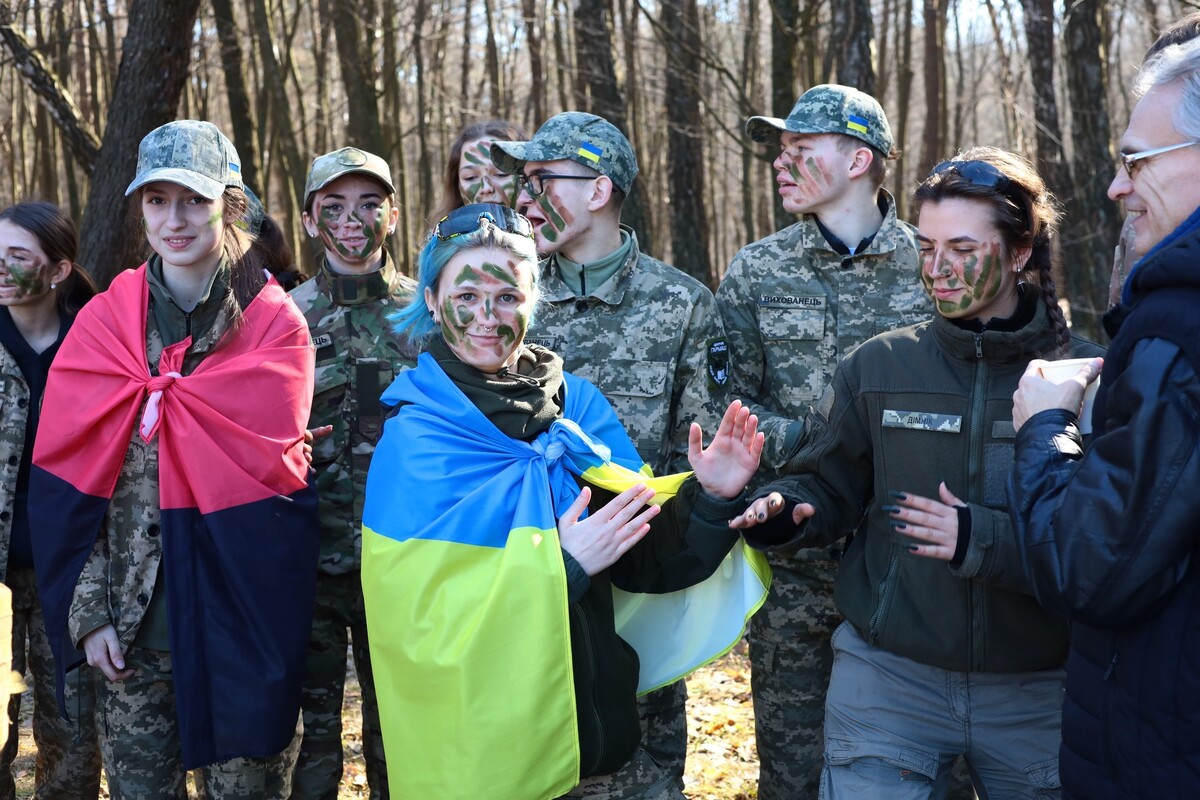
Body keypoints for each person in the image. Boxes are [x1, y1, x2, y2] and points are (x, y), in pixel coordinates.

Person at [730, 146, 1104, 797]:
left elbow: (1102, 547)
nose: (937, 269)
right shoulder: (879, 367)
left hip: (1040, 689)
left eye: (962, 248)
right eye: (926, 248)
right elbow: (829, 483)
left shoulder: (1089, 376)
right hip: (887, 682)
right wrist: (786, 509)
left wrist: (977, 539)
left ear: (1020, 251)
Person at [360, 203, 767, 800]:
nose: (485, 316)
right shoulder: (417, 437)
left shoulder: (575, 408)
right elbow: (419, 621)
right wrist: (558, 565)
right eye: (465, 295)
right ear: (430, 299)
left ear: (534, 298)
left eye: (507, 296)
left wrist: (711, 497)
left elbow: (652, 562)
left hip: (597, 747)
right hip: (492, 761)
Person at [28, 120, 320, 798]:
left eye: (192, 199)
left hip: (240, 616)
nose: (174, 219)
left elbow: (279, 491)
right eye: (156, 201)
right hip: (132, 629)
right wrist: (91, 612)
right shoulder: (104, 325)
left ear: (230, 202)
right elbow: (71, 485)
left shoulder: (274, 325)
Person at [490, 110, 729, 785]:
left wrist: (643, 537)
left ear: (598, 190)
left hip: (643, 580)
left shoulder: (681, 303)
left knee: (644, 765)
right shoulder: (507, 299)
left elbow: (697, 452)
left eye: (542, 179)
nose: (525, 197)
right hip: (533, 578)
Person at [714, 83, 930, 797]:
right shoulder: (756, 269)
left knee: (924, 768)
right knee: (793, 769)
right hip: (797, 563)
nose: (782, 165)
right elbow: (729, 401)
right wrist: (824, 444)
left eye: (801, 151)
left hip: (914, 560)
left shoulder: (932, 263)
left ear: (860, 159)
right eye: (781, 152)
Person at [1009, 39, 1200, 799]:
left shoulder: (1177, 328)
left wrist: (1045, 428)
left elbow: (1089, 568)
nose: (1117, 188)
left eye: (1136, 161)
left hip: (1160, 750)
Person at [288, 145, 419, 799]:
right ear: (310, 220)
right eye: (333, 207)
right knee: (309, 745)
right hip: (307, 563)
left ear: (392, 215)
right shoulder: (280, 319)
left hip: (402, 563)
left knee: (398, 731)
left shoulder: (429, 314)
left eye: (370, 204)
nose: (352, 219)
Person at [0, 202, 100, 799]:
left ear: (60, 270)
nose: (2, 268)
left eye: (19, 257)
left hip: (74, 574)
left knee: (73, 744)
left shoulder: (98, 346)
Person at [428, 118, 528, 226]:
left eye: (500, 174)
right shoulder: (442, 240)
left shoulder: (546, 240)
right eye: (470, 177)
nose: (486, 188)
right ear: (457, 186)